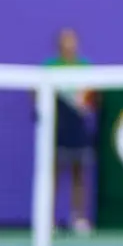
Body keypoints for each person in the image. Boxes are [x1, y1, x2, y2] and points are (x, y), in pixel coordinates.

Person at [43, 29, 97, 235]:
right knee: (52, 174)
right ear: (59, 44)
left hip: (78, 127)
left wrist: (85, 103)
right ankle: (48, 219)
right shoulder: (50, 67)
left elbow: (93, 97)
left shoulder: (85, 67)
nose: (69, 44)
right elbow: (36, 92)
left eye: (72, 40)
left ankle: (79, 218)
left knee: (78, 173)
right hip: (57, 128)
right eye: (66, 41)